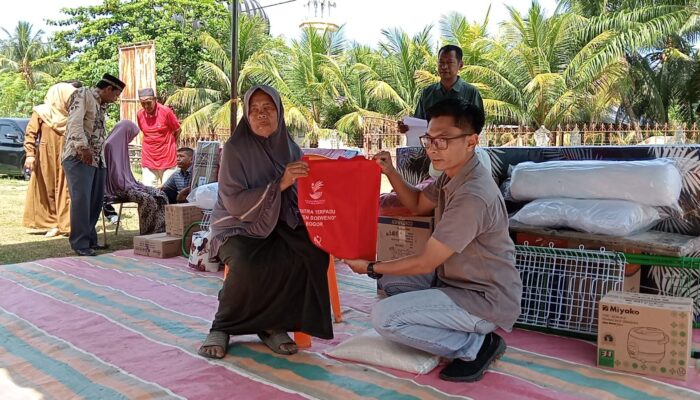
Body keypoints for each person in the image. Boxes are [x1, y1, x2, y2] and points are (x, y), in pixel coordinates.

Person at [344, 99, 522, 382]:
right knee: (390, 282)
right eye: (430, 139)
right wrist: (390, 170)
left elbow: (427, 260)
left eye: (444, 140)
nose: (433, 148)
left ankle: (476, 345)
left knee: (383, 317)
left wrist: (369, 267)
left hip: (484, 298)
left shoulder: (472, 194)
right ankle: (458, 330)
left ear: (471, 141)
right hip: (451, 280)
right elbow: (416, 203)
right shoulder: (452, 175)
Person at [198, 85, 333, 359]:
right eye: (255, 110)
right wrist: (281, 183)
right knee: (248, 262)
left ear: (279, 112)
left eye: (268, 109)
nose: (261, 115)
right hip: (237, 224)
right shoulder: (235, 149)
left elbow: (301, 195)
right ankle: (222, 325)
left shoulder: (291, 148)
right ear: (246, 116)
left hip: (280, 221)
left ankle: (273, 324)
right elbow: (234, 201)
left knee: (312, 254)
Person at [63, 73, 124, 256]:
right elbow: (74, 123)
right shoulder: (83, 94)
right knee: (82, 201)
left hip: (97, 159)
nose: (115, 99)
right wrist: (82, 147)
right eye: (115, 94)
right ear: (108, 89)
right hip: (78, 156)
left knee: (95, 201)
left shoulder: (100, 105)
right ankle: (80, 243)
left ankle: (90, 239)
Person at [23, 81, 82, 237]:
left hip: (68, 155)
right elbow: (30, 134)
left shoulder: (72, 114)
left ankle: (66, 225)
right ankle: (51, 223)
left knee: (67, 189)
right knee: (46, 188)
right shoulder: (41, 112)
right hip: (45, 156)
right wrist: (30, 154)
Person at [398, 44, 483, 133]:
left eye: (449, 62)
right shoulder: (427, 93)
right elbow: (419, 123)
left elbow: (478, 125)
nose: (444, 66)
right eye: (441, 62)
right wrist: (407, 127)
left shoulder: (471, 92)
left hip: (459, 145)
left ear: (460, 64)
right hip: (433, 145)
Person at [104, 120, 168, 234]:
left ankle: (160, 229)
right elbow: (113, 175)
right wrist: (130, 185)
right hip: (117, 188)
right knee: (146, 199)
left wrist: (134, 183)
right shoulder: (110, 146)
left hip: (128, 185)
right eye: (131, 135)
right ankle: (146, 232)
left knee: (160, 194)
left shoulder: (121, 145)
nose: (131, 139)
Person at [136, 88, 181, 187]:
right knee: (148, 192)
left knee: (168, 191)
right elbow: (143, 132)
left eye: (148, 103)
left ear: (155, 99)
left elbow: (177, 130)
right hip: (149, 159)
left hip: (168, 159)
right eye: (143, 103)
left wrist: (171, 145)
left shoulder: (166, 112)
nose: (146, 106)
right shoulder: (139, 115)